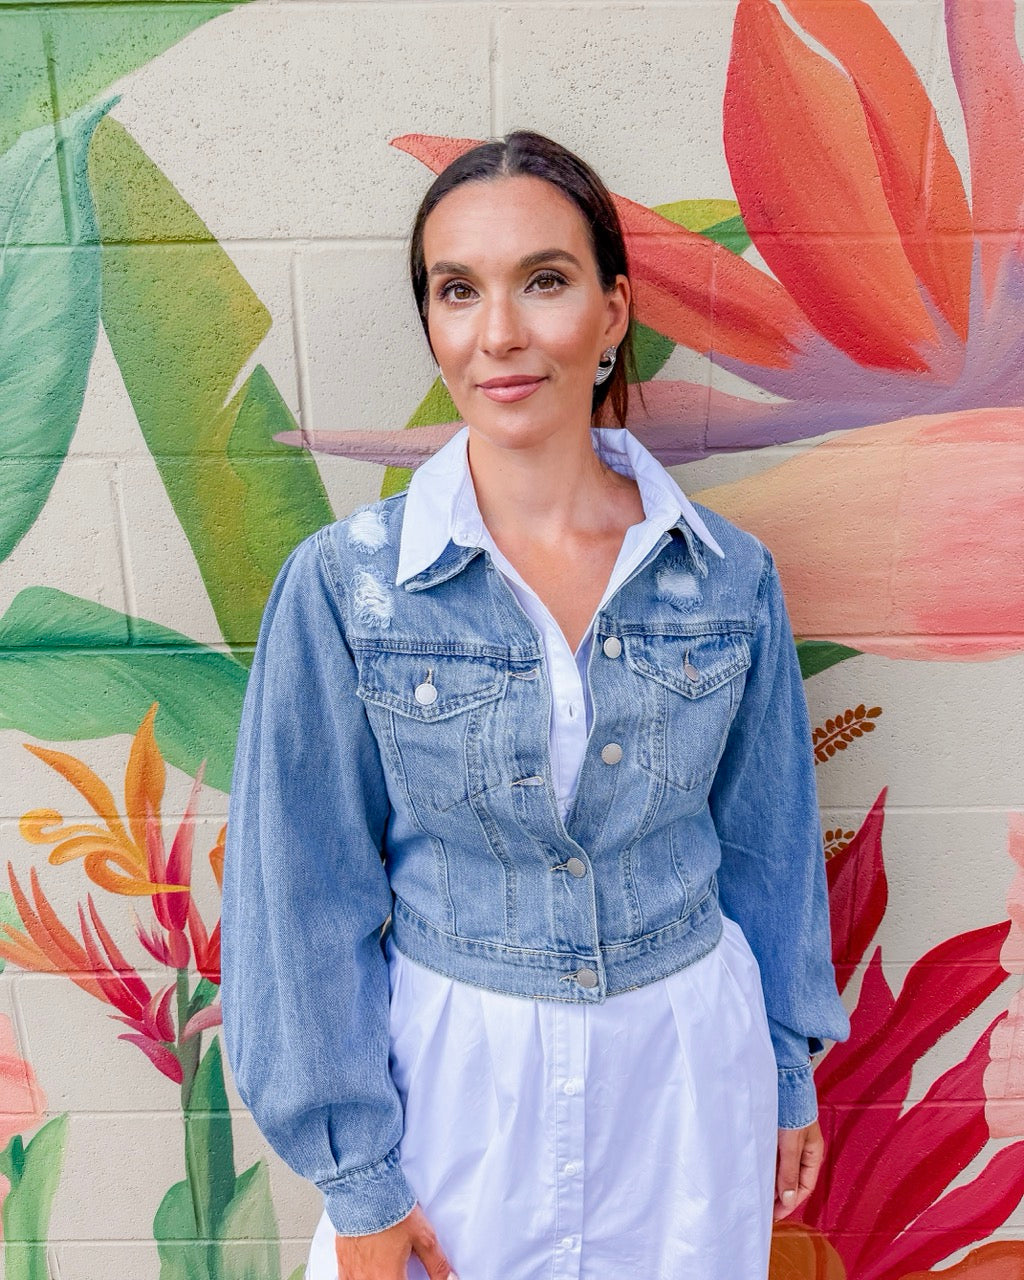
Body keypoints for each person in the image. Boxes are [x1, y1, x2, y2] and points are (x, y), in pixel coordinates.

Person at [220, 129, 850, 1280]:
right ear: (432, 322)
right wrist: (359, 1180)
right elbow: (296, 895)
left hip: (683, 1075)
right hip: (457, 1082)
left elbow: (769, 847)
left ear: (612, 315)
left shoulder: (724, 575)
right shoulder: (348, 585)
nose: (498, 332)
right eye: (457, 290)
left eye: (543, 281)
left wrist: (783, 1064)